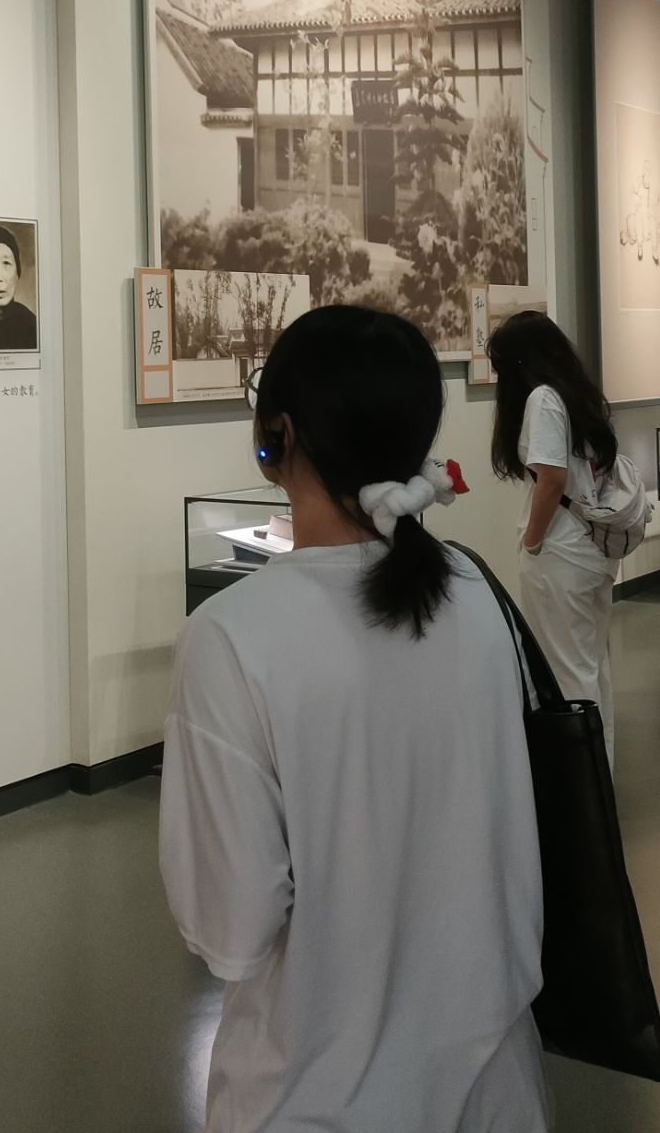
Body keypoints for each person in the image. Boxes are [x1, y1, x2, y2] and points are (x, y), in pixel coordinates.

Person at [159, 306, 548, 1133]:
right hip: (496, 1084)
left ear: (277, 436)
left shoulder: (230, 636)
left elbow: (232, 926)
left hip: (318, 1092)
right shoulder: (474, 592)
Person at [486, 310, 624, 762]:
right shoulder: (575, 394)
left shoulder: (542, 399)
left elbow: (551, 479)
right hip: (591, 549)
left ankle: (581, 775)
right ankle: (599, 767)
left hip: (560, 551)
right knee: (591, 663)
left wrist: (532, 540)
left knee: (567, 672)